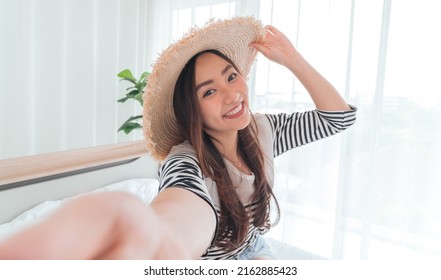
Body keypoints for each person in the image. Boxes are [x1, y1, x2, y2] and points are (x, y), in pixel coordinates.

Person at [0, 16, 356, 260]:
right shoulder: (185, 160)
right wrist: (151, 236)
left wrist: (292, 59)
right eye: (209, 92)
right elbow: (181, 207)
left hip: (253, 247)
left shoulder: (263, 130)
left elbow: (339, 117)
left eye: (231, 77)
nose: (231, 95)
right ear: (192, 111)